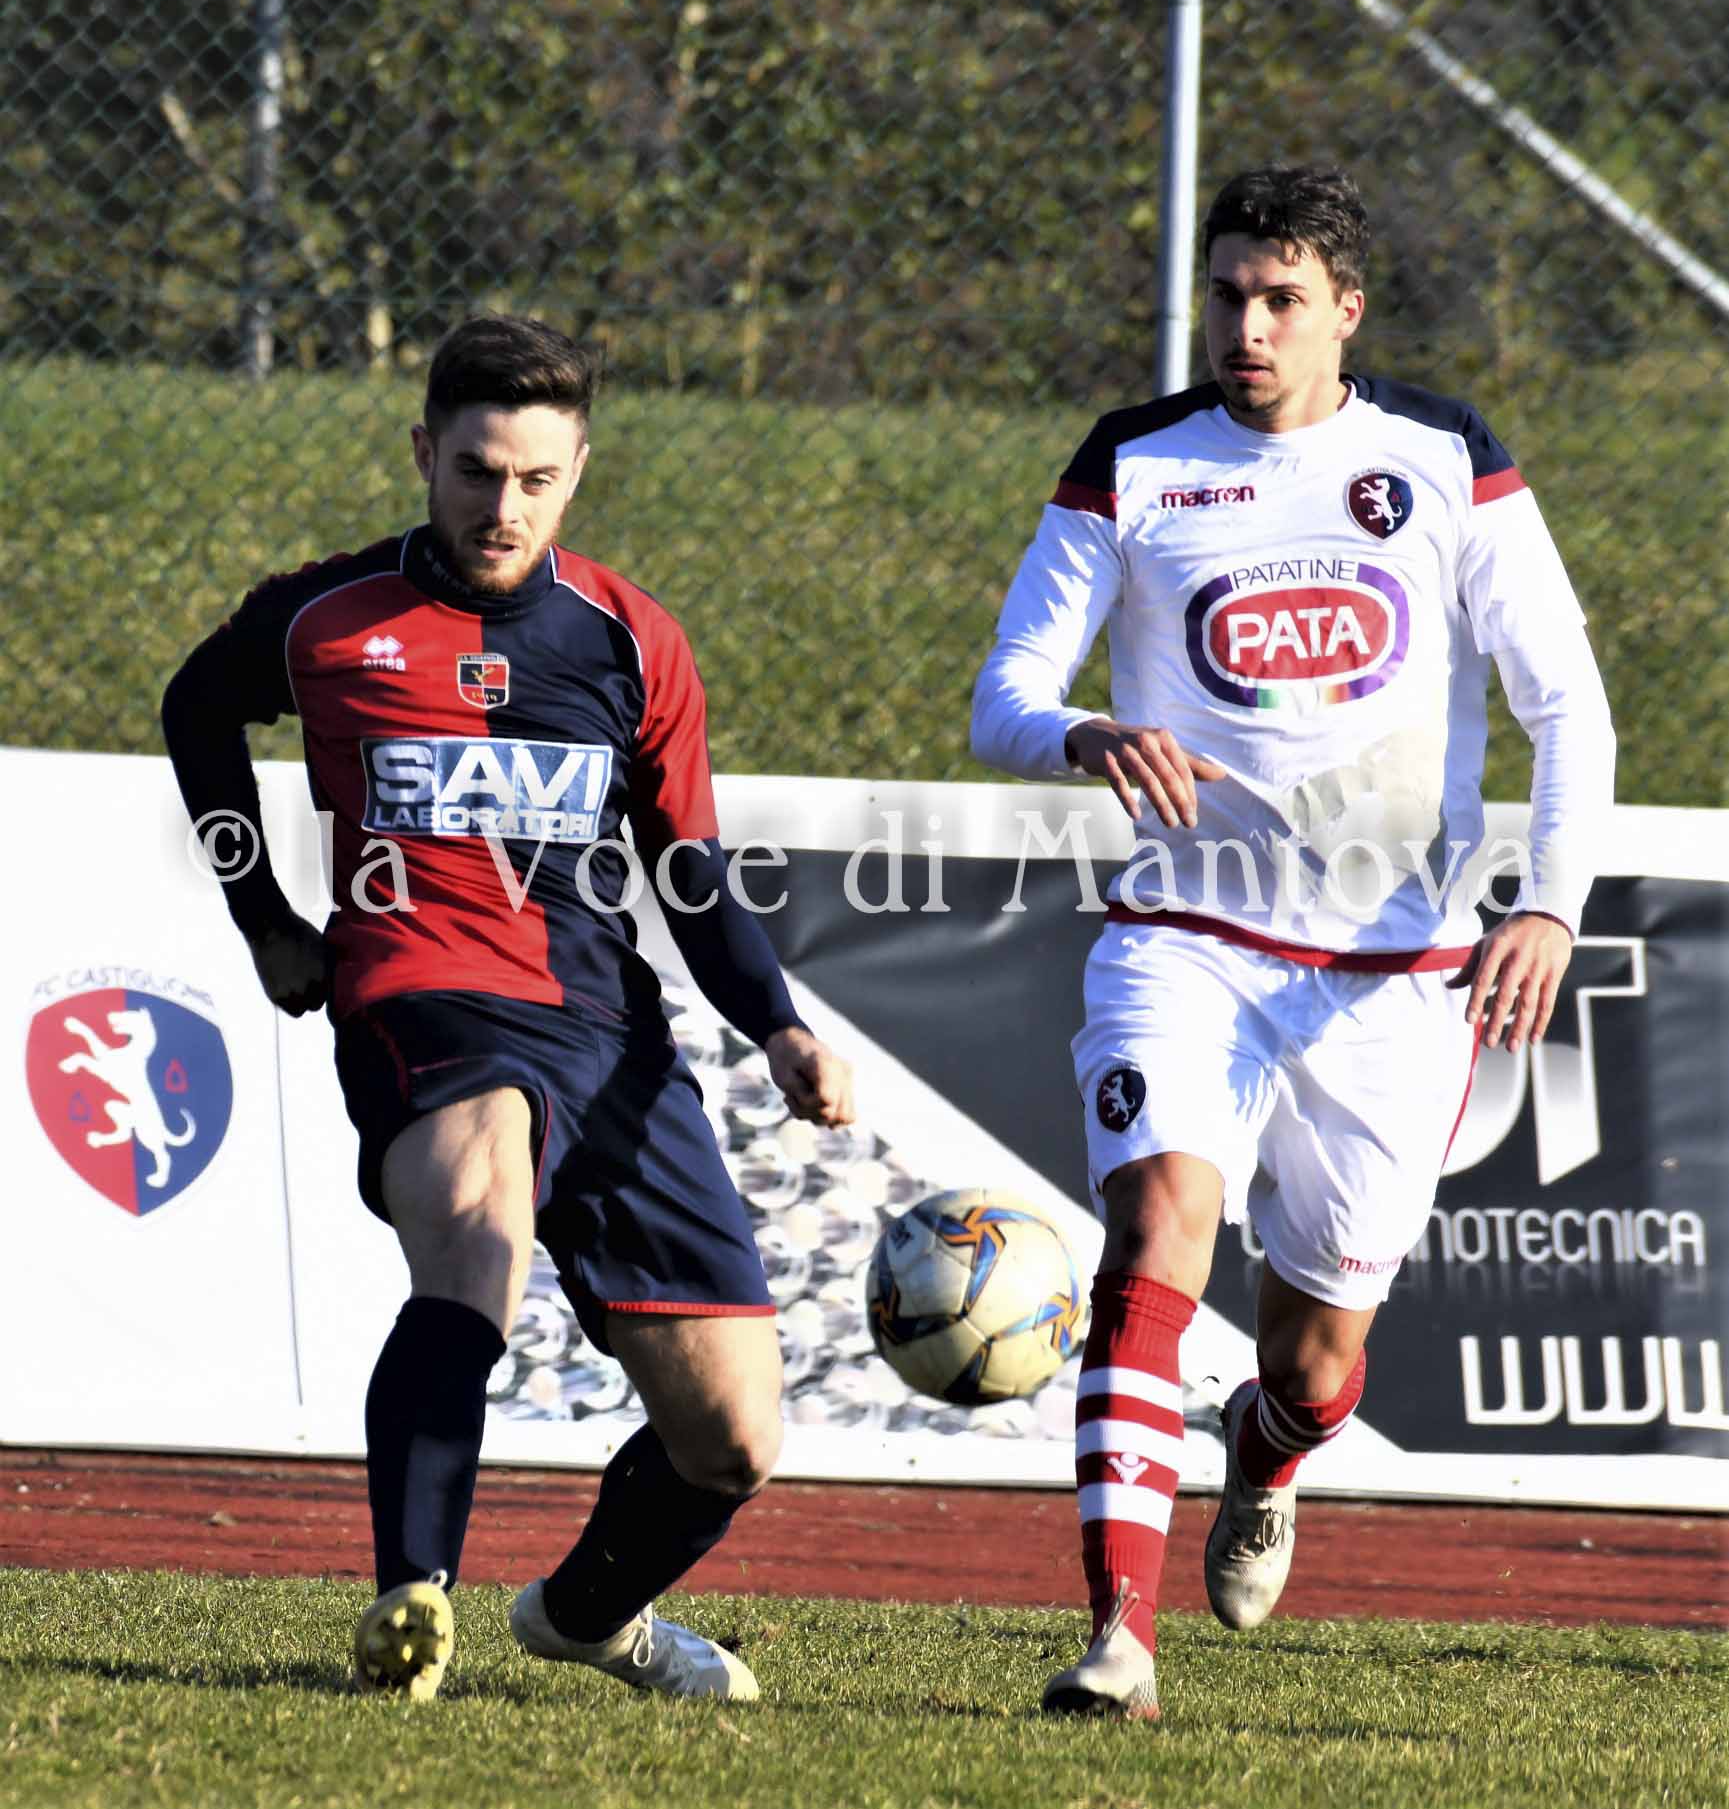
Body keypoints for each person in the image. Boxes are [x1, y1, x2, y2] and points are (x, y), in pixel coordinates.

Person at [971, 165, 1614, 1720]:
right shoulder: (1133, 460)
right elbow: (1004, 692)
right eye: (1226, 296)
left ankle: (1260, 1455)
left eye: (1279, 300)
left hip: (1394, 976)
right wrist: (1079, 732)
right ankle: (1118, 1638)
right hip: (1184, 938)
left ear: (1345, 312)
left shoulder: (1443, 457)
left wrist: (1545, 903)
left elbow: (1565, 706)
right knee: (1156, 1230)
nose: (1245, 329)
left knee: (1317, 1364)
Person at [162, 313, 854, 1703]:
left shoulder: (631, 638)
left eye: (536, 479)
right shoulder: (325, 616)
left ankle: (586, 1616)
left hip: (606, 1032)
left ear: (577, 469)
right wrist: (265, 920)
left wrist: (776, 1021)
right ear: (424, 452)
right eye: (476, 471)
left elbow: (689, 866)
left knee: (733, 1437)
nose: (503, 507)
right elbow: (196, 709)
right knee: (479, 1235)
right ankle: (411, 1597)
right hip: (421, 996)